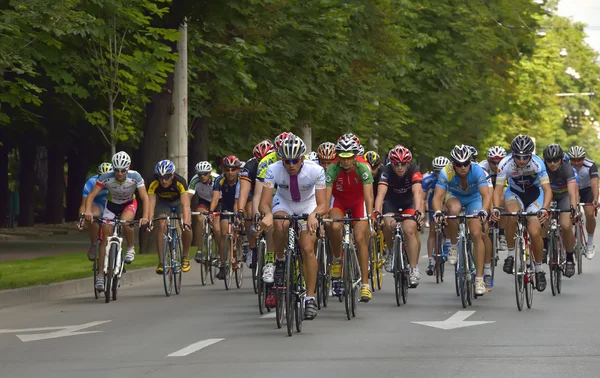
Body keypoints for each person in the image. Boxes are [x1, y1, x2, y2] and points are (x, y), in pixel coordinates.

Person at [259, 135, 328, 320]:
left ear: (302, 159)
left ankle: (310, 298)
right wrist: (266, 214)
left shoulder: (316, 170)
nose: (291, 165)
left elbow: (323, 204)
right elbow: (264, 203)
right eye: (287, 161)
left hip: (309, 205)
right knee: (280, 223)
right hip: (284, 202)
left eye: (295, 161)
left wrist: (315, 215)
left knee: (307, 247)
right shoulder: (273, 170)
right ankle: (280, 260)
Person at [491, 134, 552, 292]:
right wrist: (496, 207)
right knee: (512, 215)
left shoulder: (538, 163)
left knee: (534, 231)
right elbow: (498, 190)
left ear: (530, 155)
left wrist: (544, 208)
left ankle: (539, 270)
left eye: (525, 157)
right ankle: (511, 254)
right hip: (515, 194)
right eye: (518, 156)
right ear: (513, 155)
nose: (522, 160)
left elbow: (547, 190)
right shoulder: (505, 164)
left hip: (535, 196)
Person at [84, 151, 149, 292]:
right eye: (117, 170)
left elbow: (144, 197)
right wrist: (88, 211)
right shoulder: (106, 177)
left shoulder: (135, 176)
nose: (119, 173)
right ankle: (100, 275)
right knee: (105, 238)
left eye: (123, 170)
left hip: (129, 204)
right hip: (112, 206)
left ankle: (131, 247)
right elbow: (91, 195)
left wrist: (145, 216)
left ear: (128, 168)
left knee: (125, 222)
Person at [432, 145, 491, 295]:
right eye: (459, 164)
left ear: (470, 162)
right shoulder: (447, 172)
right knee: (452, 211)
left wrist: (484, 210)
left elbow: (486, 195)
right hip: (454, 196)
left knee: (477, 234)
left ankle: (479, 279)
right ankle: (453, 245)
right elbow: (438, 196)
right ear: (453, 164)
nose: (463, 167)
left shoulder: (477, 170)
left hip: (474, 198)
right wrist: (438, 211)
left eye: (466, 163)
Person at [325, 134, 375, 301]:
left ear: (355, 156)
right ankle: (337, 259)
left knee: (360, 238)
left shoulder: (363, 167)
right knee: (334, 226)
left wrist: (370, 218)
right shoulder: (332, 168)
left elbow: (368, 196)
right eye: (342, 157)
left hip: (358, 202)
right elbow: (326, 198)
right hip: (339, 201)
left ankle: (366, 286)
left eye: (349, 157)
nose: (345, 162)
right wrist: (323, 216)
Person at [375, 145, 424, 287]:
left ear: (408, 164)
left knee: (409, 229)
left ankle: (414, 268)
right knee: (387, 223)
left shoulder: (414, 170)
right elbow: (381, 194)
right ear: (392, 163)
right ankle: (390, 252)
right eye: (396, 164)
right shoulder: (386, 170)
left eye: (403, 164)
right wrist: (378, 213)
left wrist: (418, 212)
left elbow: (417, 193)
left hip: (409, 202)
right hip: (391, 202)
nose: (400, 168)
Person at [147, 160, 192, 274]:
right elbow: (151, 203)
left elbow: (185, 204)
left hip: (178, 202)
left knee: (186, 225)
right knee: (162, 224)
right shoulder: (153, 182)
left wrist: (186, 222)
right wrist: (150, 221)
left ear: (172, 175)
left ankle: (185, 256)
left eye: (166, 177)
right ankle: (161, 262)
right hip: (163, 203)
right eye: (161, 177)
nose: (163, 181)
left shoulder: (180, 181)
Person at [542, 144, 578, 277]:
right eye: (549, 160)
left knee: (566, 225)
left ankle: (569, 259)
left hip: (564, 197)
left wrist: (573, 208)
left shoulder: (567, 168)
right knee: (542, 216)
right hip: (549, 195)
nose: (552, 164)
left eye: (556, 160)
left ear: (561, 159)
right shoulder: (542, 168)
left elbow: (572, 193)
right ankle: (545, 245)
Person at [238, 140, 275, 267]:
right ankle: (252, 248)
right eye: (260, 160)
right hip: (255, 191)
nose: (263, 163)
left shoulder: (278, 164)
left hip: (272, 192)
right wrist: (240, 211)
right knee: (249, 212)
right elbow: (243, 191)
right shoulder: (250, 166)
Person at [210, 155, 242, 280]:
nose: (230, 172)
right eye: (227, 169)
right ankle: (223, 264)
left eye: (233, 169)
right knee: (224, 232)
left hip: (238, 204)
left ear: (238, 170)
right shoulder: (219, 180)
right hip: (225, 206)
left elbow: (238, 200)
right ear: (224, 170)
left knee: (237, 229)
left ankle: (238, 250)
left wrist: (239, 214)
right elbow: (215, 198)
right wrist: (211, 212)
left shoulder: (241, 180)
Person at [567, 145, 599, 259]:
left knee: (590, 214)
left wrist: (595, 199)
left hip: (586, 189)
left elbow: (594, 183)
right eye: (573, 160)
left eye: (579, 159)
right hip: (571, 188)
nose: (576, 162)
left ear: (584, 158)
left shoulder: (590, 165)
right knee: (568, 215)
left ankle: (589, 244)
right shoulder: (566, 165)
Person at [78, 162, 112, 260]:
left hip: (111, 204)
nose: (104, 180)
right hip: (96, 204)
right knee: (92, 216)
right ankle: (94, 244)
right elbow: (83, 205)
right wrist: (81, 220)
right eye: (101, 176)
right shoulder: (91, 182)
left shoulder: (116, 182)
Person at [423, 156, 450, 276]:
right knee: (432, 232)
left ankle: (449, 242)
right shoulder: (429, 179)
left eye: (442, 170)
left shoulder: (452, 178)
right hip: (433, 203)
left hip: (448, 201)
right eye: (437, 171)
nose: (439, 173)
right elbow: (422, 196)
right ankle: (430, 261)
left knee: (450, 223)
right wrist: (423, 213)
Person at [188, 161, 215, 263]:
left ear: (210, 173)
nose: (202, 176)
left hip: (217, 201)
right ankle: (199, 250)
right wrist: (186, 208)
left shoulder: (217, 179)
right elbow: (188, 196)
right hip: (204, 201)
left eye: (205, 174)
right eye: (200, 174)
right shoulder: (195, 180)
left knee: (218, 227)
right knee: (200, 219)